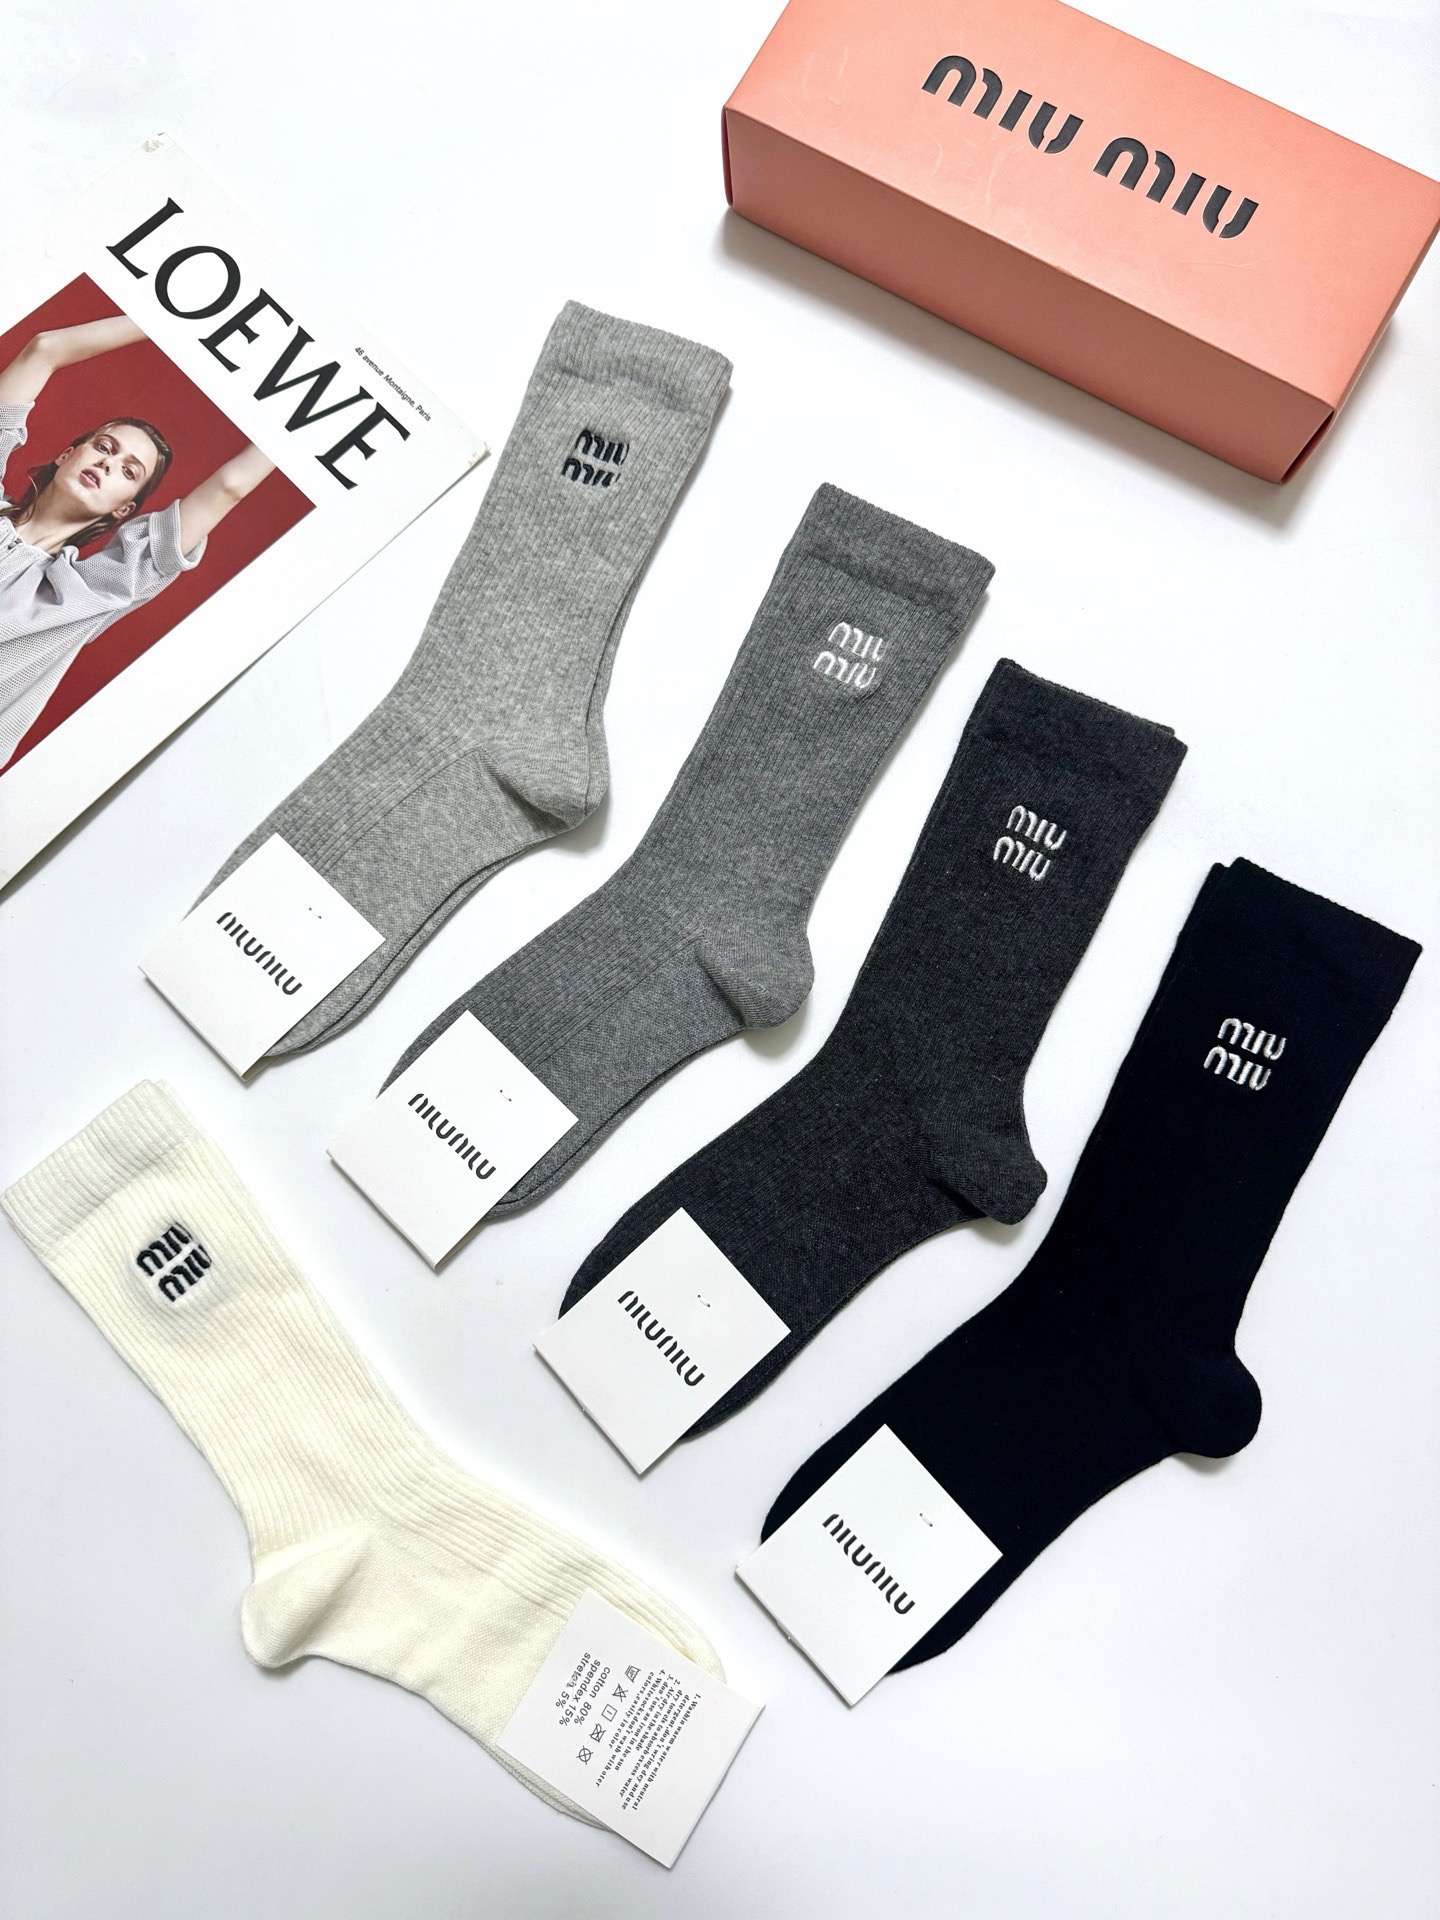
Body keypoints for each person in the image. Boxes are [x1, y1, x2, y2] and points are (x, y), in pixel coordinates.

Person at [0, 313, 275, 770]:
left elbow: (230, 486)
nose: (109, 464)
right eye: (103, 448)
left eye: (129, 471)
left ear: (123, 510)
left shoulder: (90, 594)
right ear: (67, 455)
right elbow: (44, 349)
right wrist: (177, 314)